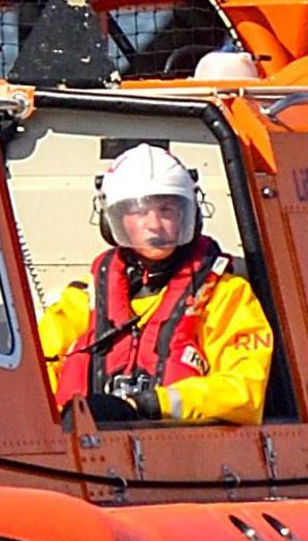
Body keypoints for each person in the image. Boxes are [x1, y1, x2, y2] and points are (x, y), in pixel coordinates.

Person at [40, 144, 275, 425]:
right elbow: (35, 376)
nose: (154, 224)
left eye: (166, 210)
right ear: (113, 220)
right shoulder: (82, 301)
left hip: (185, 452)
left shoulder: (225, 295)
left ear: (189, 215)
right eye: (140, 212)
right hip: (87, 448)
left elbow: (244, 391)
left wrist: (150, 404)